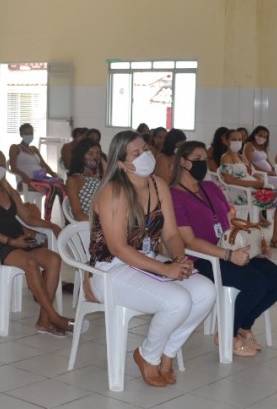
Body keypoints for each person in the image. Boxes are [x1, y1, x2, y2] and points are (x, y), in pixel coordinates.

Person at [90, 131, 214, 386]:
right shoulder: (114, 191)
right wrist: (164, 269)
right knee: (178, 301)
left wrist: (179, 259)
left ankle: (167, 353)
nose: (146, 155)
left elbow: (170, 233)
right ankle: (147, 355)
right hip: (111, 270)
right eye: (137, 154)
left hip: (147, 261)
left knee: (206, 291)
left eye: (145, 149)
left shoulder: (158, 184)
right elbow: (118, 248)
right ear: (122, 163)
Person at [171, 142, 277, 357]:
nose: (201, 164)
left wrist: (255, 245)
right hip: (204, 257)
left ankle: (244, 327)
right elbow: (188, 241)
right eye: (196, 159)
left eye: (204, 159)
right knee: (255, 283)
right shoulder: (175, 196)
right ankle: (227, 333)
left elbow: (231, 220)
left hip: (230, 246)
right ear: (182, 162)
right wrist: (228, 255)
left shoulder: (210, 187)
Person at [0, 147, 70, 336]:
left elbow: (28, 218)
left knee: (53, 259)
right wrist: (12, 242)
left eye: (0, 164)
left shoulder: (8, 190)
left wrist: (51, 225)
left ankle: (44, 320)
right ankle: (53, 316)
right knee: (30, 263)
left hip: (19, 241)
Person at [218, 128, 277, 249]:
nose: (237, 142)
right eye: (234, 139)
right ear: (226, 141)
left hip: (254, 190)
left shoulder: (241, 157)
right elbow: (228, 179)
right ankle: (276, 239)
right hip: (243, 194)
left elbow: (251, 172)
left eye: (239, 139)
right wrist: (252, 184)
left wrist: (258, 179)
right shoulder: (226, 157)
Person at [8, 122, 67, 221]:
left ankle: (65, 218)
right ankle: (47, 218)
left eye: (31, 133)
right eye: (26, 133)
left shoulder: (34, 149)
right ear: (21, 135)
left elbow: (43, 164)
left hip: (41, 179)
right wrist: (24, 176)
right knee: (52, 189)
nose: (29, 135)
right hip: (26, 182)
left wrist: (52, 174)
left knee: (61, 187)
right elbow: (13, 167)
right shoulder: (15, 147)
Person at [66, 137, 104, 221]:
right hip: (89, 225)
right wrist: (103, 222)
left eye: (98, 153)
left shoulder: (97, 178)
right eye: (90, 154)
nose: (95, 157)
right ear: (81, 156)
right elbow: (78, 215)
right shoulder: (74, 180)